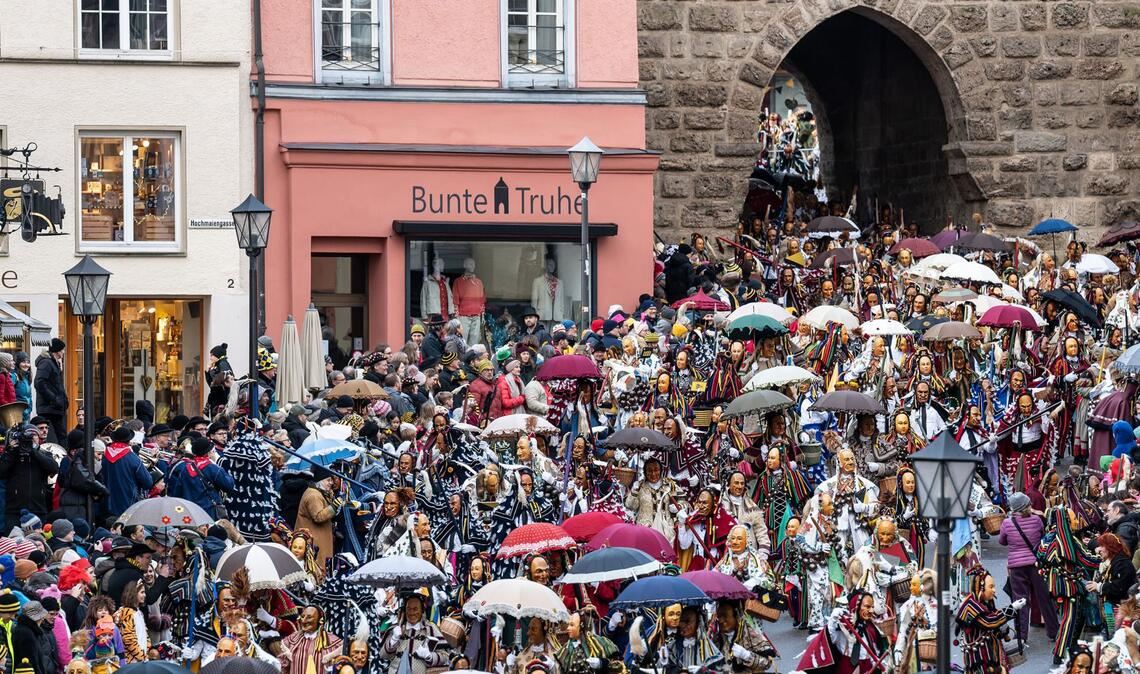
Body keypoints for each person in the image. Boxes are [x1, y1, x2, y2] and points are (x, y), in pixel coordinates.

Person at [166, 437, 235, 519]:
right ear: (208, 453)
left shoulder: (185, 468)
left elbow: (177, 492)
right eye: (213, 451)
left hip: (190, 513)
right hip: (209, 512)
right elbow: (229, 485)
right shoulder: (213, 468)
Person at [33, 339, 68, 443]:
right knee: (55, 436)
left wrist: (64, 401)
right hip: (49, 408)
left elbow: (56, 385)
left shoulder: (53, 363)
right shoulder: (47, 363)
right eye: (62, 350)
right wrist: (54, 399)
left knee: (59, 435)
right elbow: (39, 382)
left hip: (53, 407)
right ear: (57, 351)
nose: (63, 352)